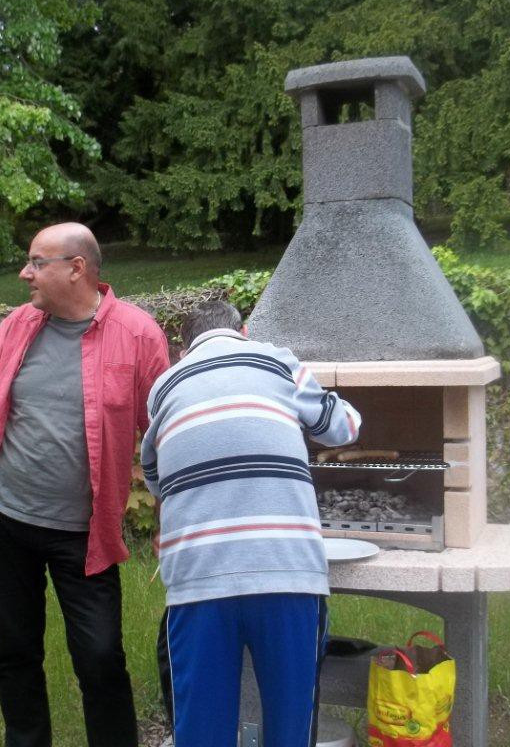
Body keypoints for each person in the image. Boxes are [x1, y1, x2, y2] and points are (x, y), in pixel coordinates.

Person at [0, 222, 170, 747]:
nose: (24, 273)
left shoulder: (139, 334)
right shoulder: (17, 325)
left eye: (36, 262)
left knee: (101, 656)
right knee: (15, 649)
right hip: (4, 514)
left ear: (76, 268)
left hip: (84, 532)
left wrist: (172, 515)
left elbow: (165, 434)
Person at [140, 300, 361, 747]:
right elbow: (343, 429)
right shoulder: (277, 360)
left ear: (184, 349)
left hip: (198, 580)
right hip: (286, 571)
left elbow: (155, 475)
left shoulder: (164, 385)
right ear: (243, 330)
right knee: (290, 726)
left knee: (202, 732)